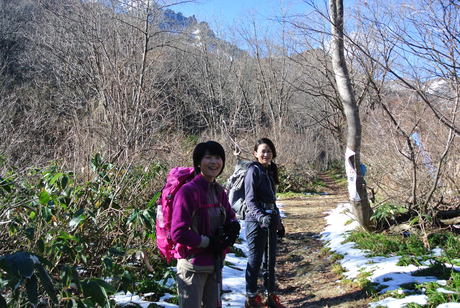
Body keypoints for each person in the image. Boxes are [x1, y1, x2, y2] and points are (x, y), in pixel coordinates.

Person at [171, 141, 240, 308]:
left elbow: (230, 216)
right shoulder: (188, 191)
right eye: (208, 157)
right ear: (198, 162)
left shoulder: (218, 190)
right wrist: (208, 242)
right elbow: (178, 232)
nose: (214, 162)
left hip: (214, 265)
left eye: (218, 158)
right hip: (193, 267)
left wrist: (233, 226)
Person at [244, 138, 286, 308]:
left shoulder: (270, 170)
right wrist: (261, 217)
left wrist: (279, 223)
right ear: (255, 153)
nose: (266, 154)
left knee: (270, 261)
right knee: (255, 260)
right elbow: (250, 200)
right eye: (262, 151)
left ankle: (270, 296)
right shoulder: (253, 171)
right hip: (255, 221)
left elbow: (272, 201)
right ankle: (252, 297)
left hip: (271, 219)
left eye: (269, 151)